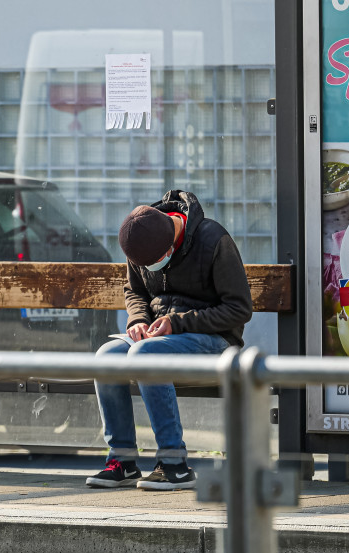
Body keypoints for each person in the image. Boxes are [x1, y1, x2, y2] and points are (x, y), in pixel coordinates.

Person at [86, 190, 252, 491]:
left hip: (213, 340)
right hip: (158, 335)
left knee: (145, 355)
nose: (148, 268)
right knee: (107, 355)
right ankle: (122, 461)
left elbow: (238, 309)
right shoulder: (140, 239)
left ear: (169, 247)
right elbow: (134, 291)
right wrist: (138, 321)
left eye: (153, 263)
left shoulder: (214, 240)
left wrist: (178, 323)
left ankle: (174, 465)